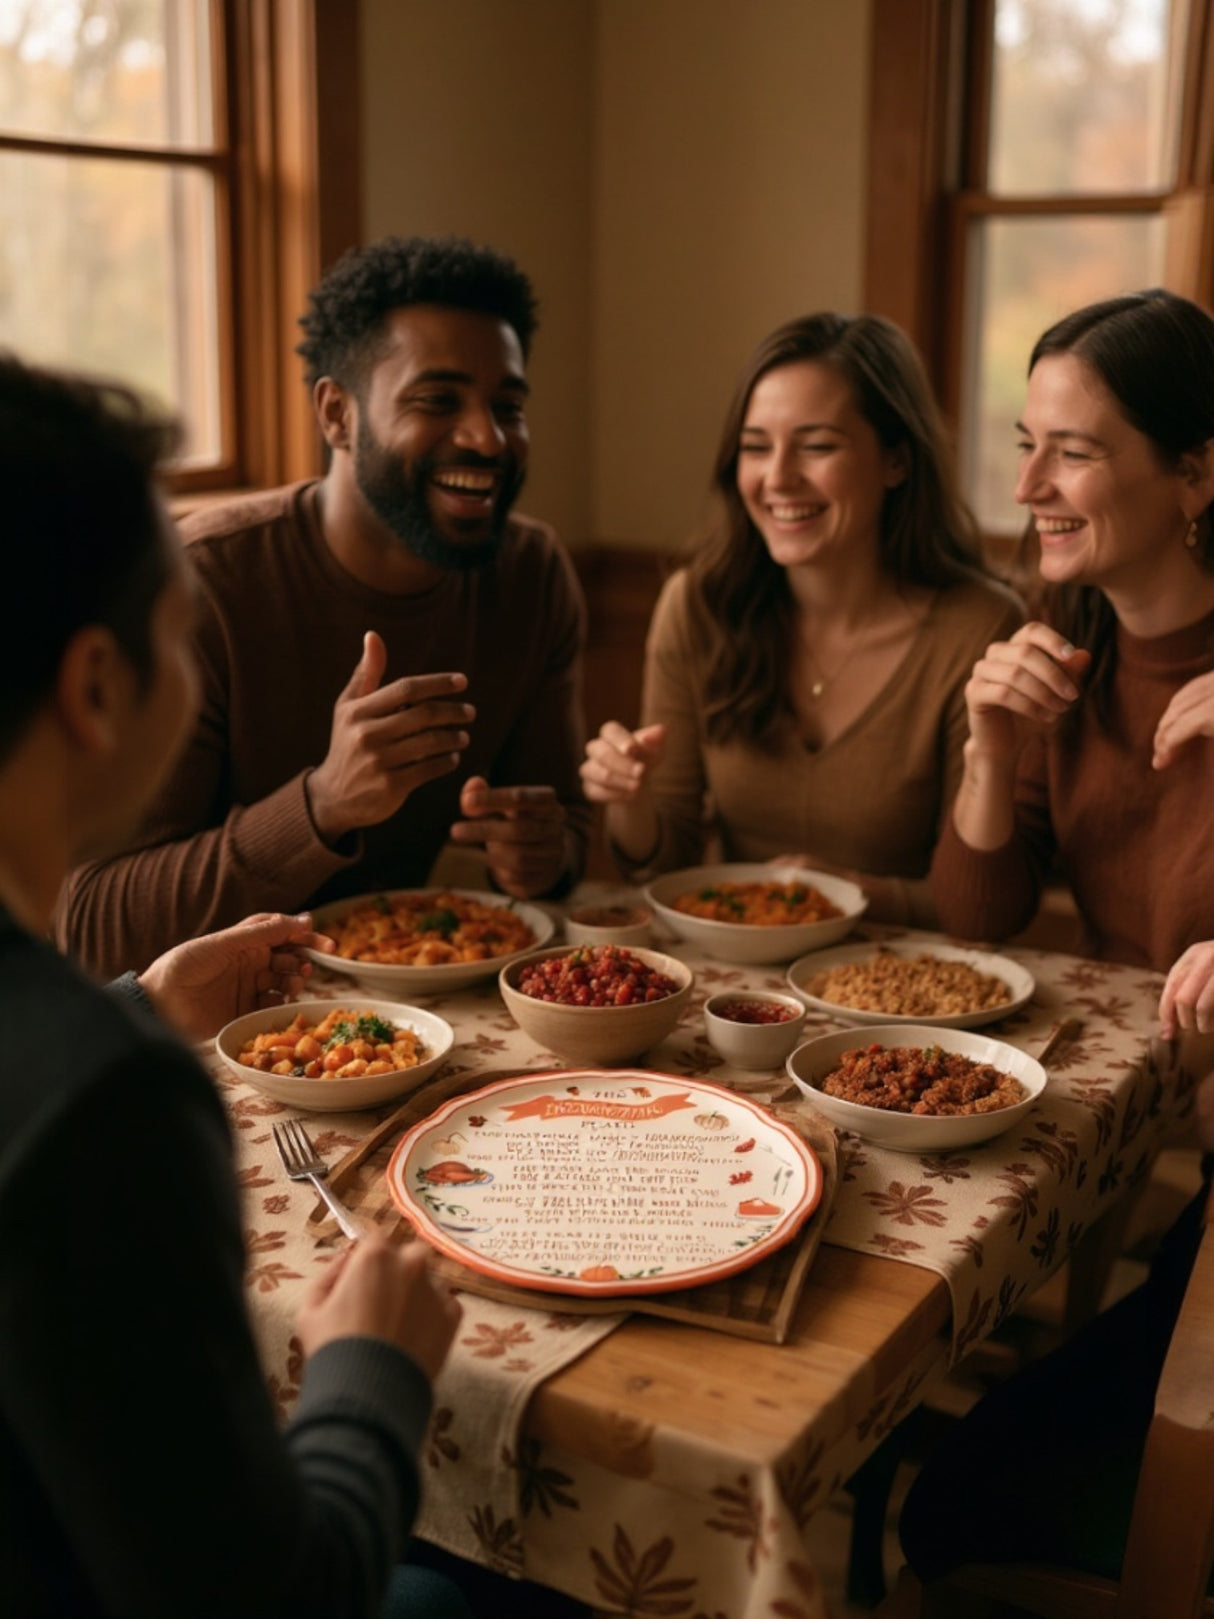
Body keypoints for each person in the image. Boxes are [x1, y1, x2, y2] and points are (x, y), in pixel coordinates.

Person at [0, 352, 469, 1618]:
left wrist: (135, 1002)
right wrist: (370, 1369)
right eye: (180, 630)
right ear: (97, 688)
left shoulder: (85, 1056)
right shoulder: (108, 1106)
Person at [902, 287, 1214, 1584]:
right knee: (961, 1501)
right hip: (1183, 1159)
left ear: (1195, 473)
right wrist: (983, 747)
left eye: (1072, 449)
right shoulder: (1061, 658)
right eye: (1023, 441)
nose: (1025, 481)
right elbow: (972, 929)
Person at [57, 235, 592, 979]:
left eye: (509, 406)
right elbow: (90, 923)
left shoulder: (532, 574)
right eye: (438, 400)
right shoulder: (201, 586)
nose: (487, 437)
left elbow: (567, 830)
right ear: (337, 414)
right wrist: (321, 805)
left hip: (432, 1010)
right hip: (228, 1035)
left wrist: (543, 852)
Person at [580, 312, 1022, 927]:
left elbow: (980, 909)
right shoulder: (696, 606)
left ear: (896, 460)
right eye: (756, 447)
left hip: (902, 985)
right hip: (735, 986)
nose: (779, 478)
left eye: (817, 446)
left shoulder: (979, 630)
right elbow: (660, 865)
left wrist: (849, 892)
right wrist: (629, 799)